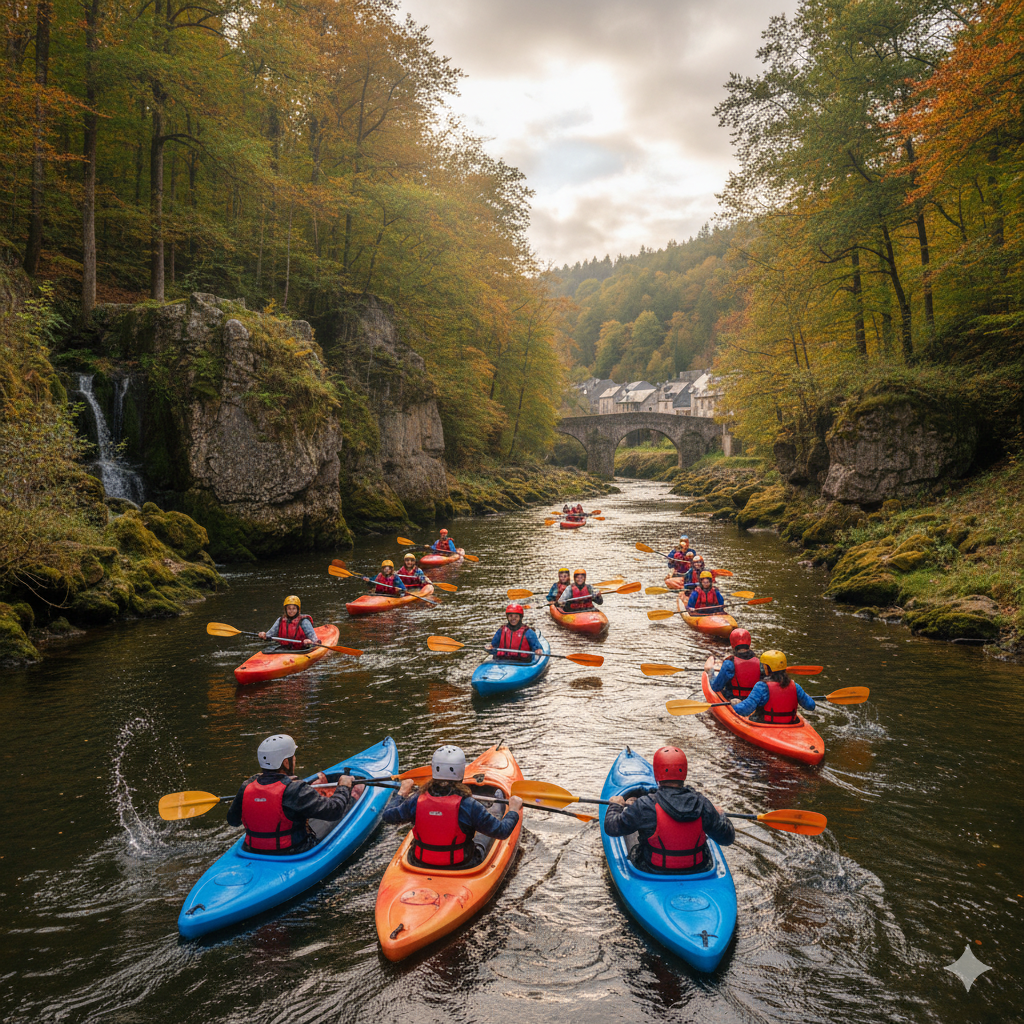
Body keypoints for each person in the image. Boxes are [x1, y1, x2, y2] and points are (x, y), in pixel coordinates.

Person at [383, 745, 523, 868]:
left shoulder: (416, 799)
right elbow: (502, 832)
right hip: (463, 864)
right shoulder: (469, 804)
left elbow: (388, 816)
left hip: (419, 861)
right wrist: (513, 810)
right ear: (461, 771)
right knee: (485, 830)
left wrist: (402, 793)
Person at [603, 746, 734, 874]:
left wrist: (616, 805)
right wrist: (720, 816)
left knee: (636, 831)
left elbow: (611, 828)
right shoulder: (703, 804)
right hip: (698, 869)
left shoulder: (645, 805)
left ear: (657, 773)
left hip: (652, 869)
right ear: (684, 772)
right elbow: (727, 839)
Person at [227, 734, 362, 855]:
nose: (295, 760)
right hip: (295, 851)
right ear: (286, 762)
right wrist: (344, 787)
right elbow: (335, 811)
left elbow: (233, 821)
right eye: (293, 757)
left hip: (251, 850)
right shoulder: (295, 788)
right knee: (347, 803)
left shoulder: (247, 786)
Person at [733, 650, 816, 723]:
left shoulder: (761, 687)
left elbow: (745, 710)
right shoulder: (795, 686)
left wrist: (735, 705)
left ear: (766, 668)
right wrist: (802, 695)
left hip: (765, 724)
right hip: (790, 724)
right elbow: (811, 706)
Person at [711, 628, 764, 701]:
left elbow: (716, 687)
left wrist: (711, 674)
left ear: (733, 644)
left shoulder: (729, 663)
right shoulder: (760, 663)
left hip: (732, 699)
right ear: (749, 643)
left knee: (711, 677)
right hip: (753, 700)